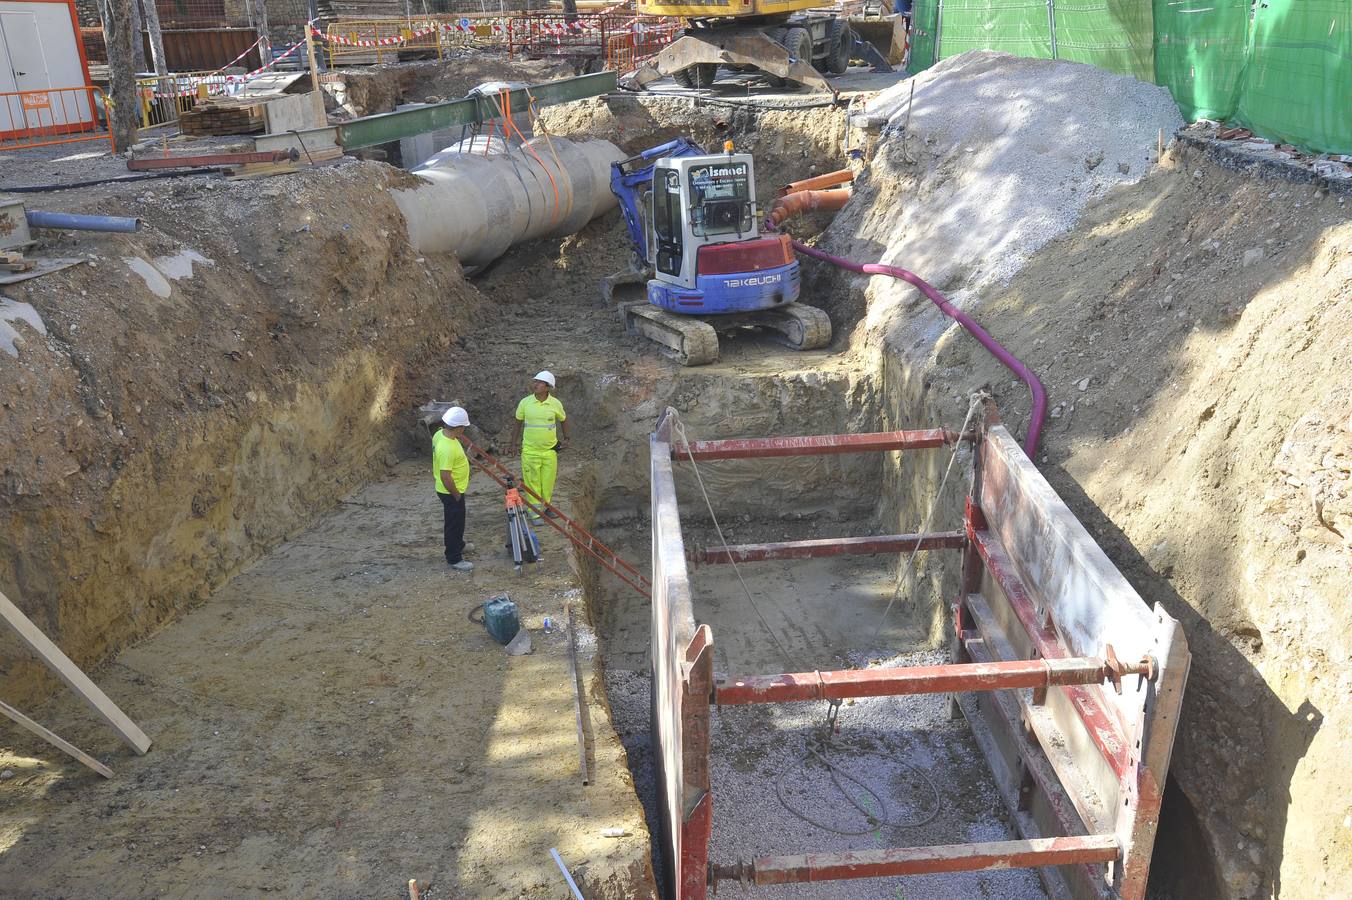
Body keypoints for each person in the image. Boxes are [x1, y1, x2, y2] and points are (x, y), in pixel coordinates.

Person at [511, 370, 569, 522]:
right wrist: (513, 444)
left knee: (547, 482)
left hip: (550, 450)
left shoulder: (555, 404)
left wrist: (566, 438)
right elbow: (518, 423)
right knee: (532, 482)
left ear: (548, 387)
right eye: (535, 381)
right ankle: (535, 512)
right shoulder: (525, 403)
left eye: (539, 382)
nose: (535, 384)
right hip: (530, 451)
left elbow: (563, 419)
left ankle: (547, 506)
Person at [433, 406, 475, 573]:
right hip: (451, 491)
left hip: (451, 489)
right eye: (463, 427)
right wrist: (456, 495)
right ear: (458, 428)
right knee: (454, 524)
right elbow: (445, 476)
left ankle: (459, 544)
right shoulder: (447, 448)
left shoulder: (439, 434)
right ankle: (454, 557)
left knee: (458, 521)